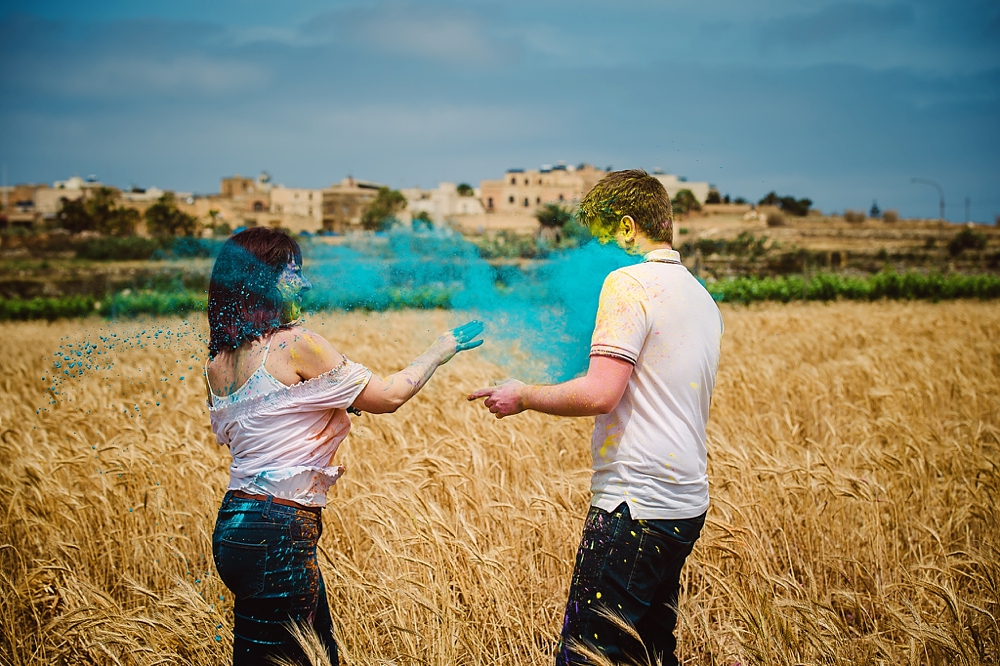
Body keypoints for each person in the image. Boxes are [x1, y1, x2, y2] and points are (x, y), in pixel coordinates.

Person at [469, 170, 723, 666]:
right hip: (685, 504)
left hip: (635, 503)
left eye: (604, 235)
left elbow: (602, 392)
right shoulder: (699, 295)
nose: (598, 248)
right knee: (649, 652)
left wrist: (521, 394)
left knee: (589, 654)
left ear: (629, 227)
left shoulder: (627, 282)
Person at [204, 227, 483, 666]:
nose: (306, 283)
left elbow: (267, 420)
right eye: (293, 273)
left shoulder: (218, 361)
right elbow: (389, 395)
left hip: (236, 527)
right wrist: (439, 350)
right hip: (279, 528)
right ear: (263, 281)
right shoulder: (297, 344)